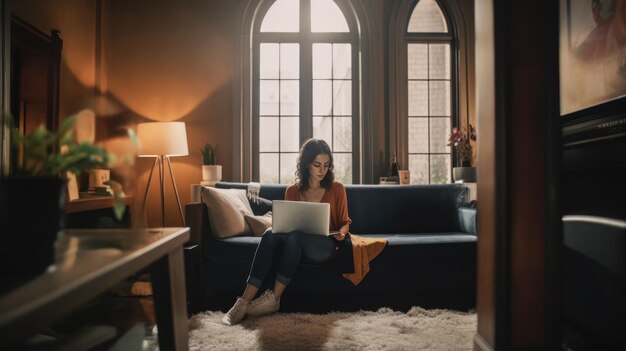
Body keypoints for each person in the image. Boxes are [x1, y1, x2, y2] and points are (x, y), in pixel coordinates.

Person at [222, 138, 351, 325]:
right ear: (306, 164)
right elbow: (286, 224)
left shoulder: (337, 188)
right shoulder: (292, 190)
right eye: (317, 165)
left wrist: (342, 232)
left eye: (326, 165)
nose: (322, 170)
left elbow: (344, 221)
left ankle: (274, 298)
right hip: (295, 245)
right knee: (270, 233)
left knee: (296, 237)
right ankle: (242, 302)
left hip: (325, 246)